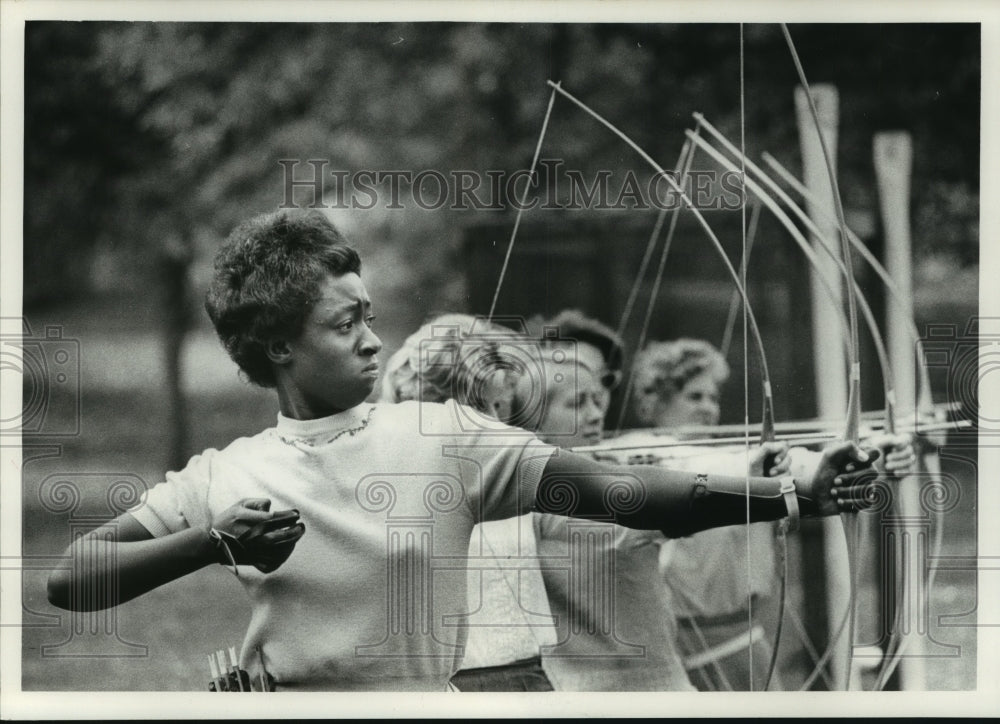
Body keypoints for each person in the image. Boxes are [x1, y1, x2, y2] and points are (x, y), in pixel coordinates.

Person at [46, 210, 880, 692]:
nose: (374, 341)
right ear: (275, 350)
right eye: (345, 325)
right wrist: (211, 542)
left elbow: (629, 490)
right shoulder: (227, 474)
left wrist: (793, 490)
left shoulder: (441, 438)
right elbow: (70, 579)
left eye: (369, 315)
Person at [627, 338, 917, 691]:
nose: (708, 407)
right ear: (652, 401)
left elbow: (802, 463)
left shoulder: (733, 460)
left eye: (713, 398)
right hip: (682, 641)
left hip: (739, 633)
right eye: (694, 396)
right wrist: (753, 469)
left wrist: (875, 456)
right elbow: (697, 470)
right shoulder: (637, 455)